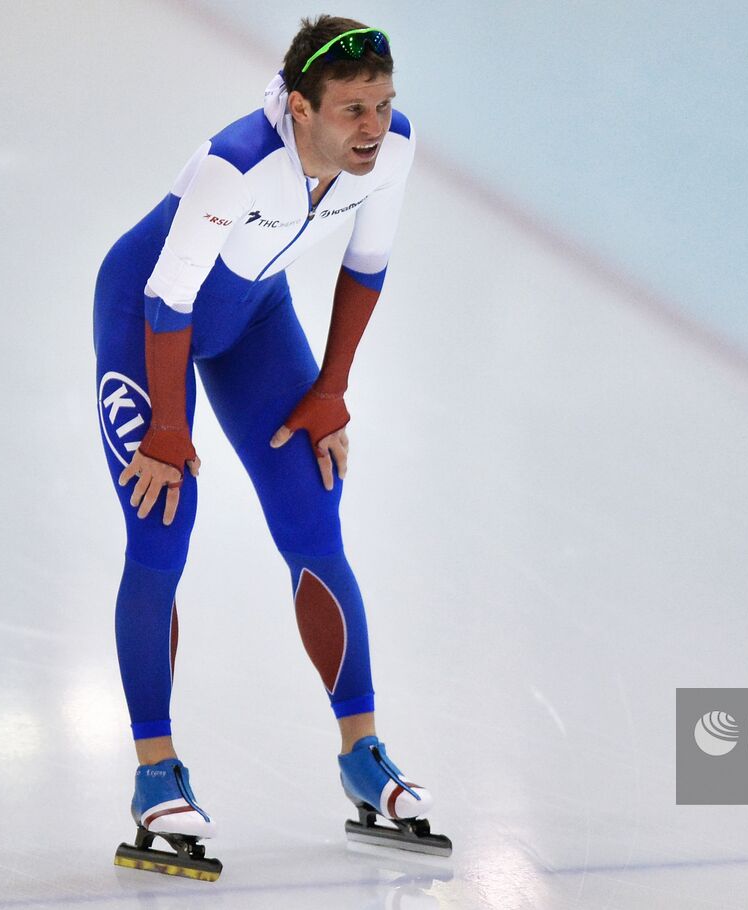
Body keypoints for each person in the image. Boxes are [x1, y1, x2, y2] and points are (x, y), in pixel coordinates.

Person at [95, 16, 449, 880]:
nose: (373, 126)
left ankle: (364, 755)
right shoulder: (236, 160)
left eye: (384, 104)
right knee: (164, 523)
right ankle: (154, 775)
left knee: (311, 518)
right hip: (146, 320)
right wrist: (170, 433)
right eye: (352, 110)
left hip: (255, 318)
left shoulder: (394, 150)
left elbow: (367, 266)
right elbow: (168, 300)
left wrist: (331, 391)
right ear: (300, 108)